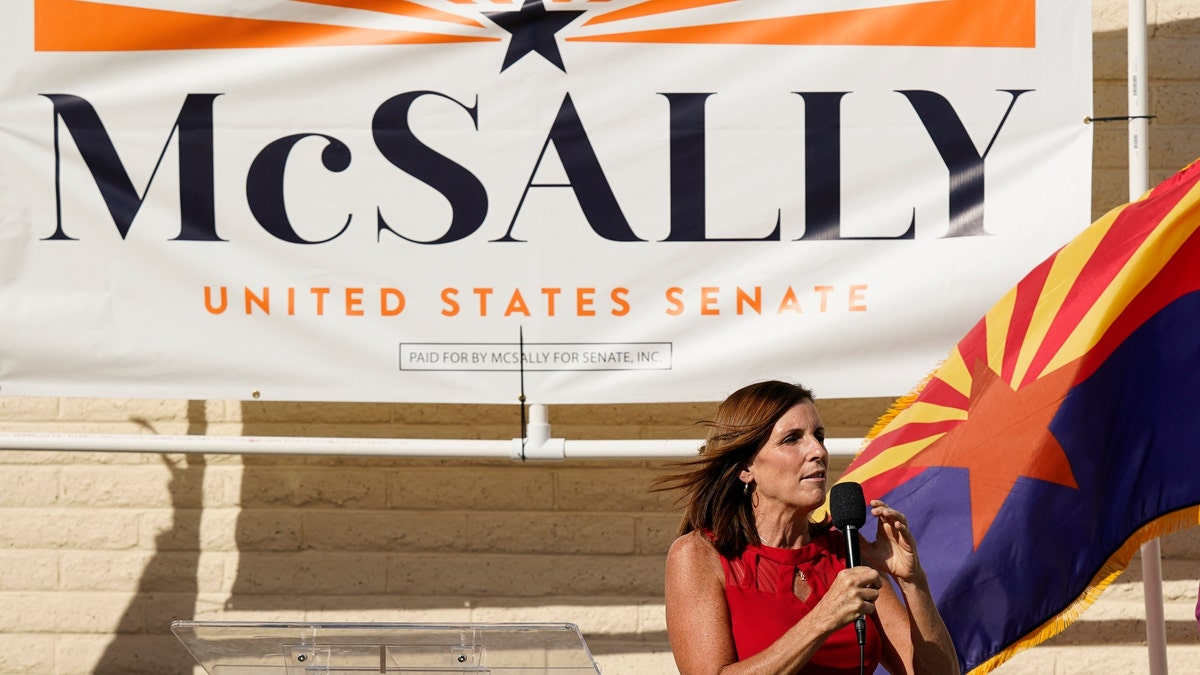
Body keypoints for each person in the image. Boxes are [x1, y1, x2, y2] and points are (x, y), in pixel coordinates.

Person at [658, 380, 959, 675]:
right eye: (792, 439)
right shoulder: (699, 555)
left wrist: (913, 582)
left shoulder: (848, 552)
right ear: (745, 468)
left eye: (819, 436)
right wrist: (822, 620)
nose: (818, 451)